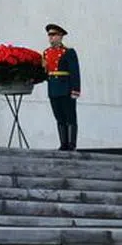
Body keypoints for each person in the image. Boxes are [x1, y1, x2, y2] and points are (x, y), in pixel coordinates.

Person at [43, 23, 81, 151]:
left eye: (54, 35)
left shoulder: (68, 52)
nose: (51, 38)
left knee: (70, 117)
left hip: (66, 88)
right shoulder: (46, 53)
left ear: (60, 36)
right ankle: (63, 144)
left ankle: (71, 144)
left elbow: (75, 72)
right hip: (53, 89)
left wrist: (75, 89)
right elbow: (44, 72)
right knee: (59, 117)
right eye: (49, 35)